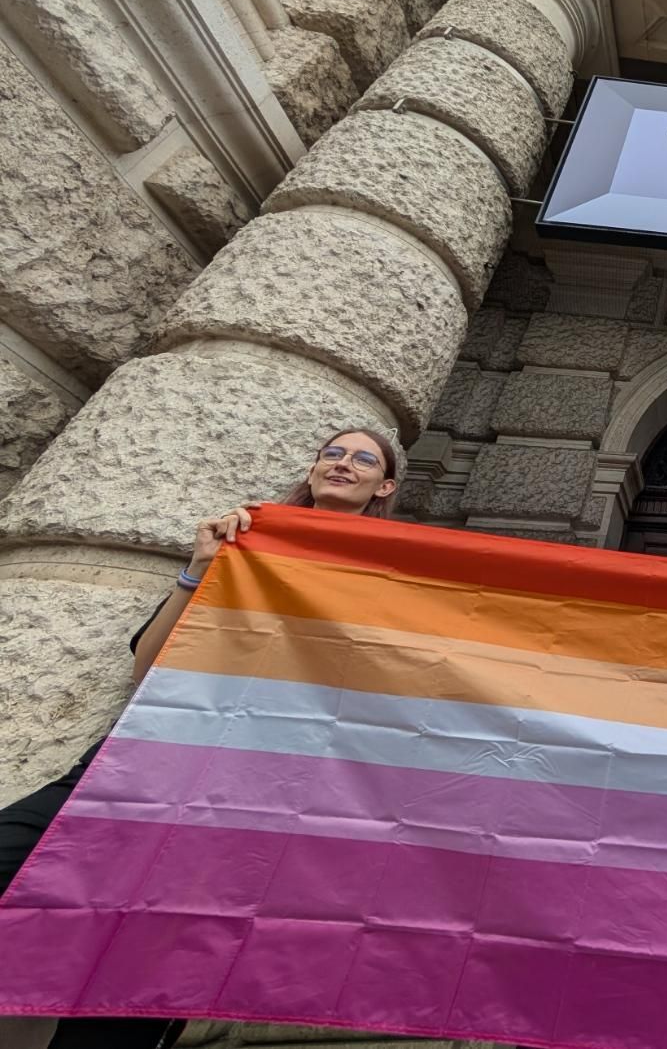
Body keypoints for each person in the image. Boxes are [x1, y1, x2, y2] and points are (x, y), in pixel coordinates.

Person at [0, 429, 399, 1049]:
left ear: (385, 486)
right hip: (147, 758)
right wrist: (199, 568)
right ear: (313, 468)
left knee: (143, 962)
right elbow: (148, 666)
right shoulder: (247, 544)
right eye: (333, 453)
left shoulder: (391, 573)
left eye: (363, 459)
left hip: (250, 790)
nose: (343, 463)